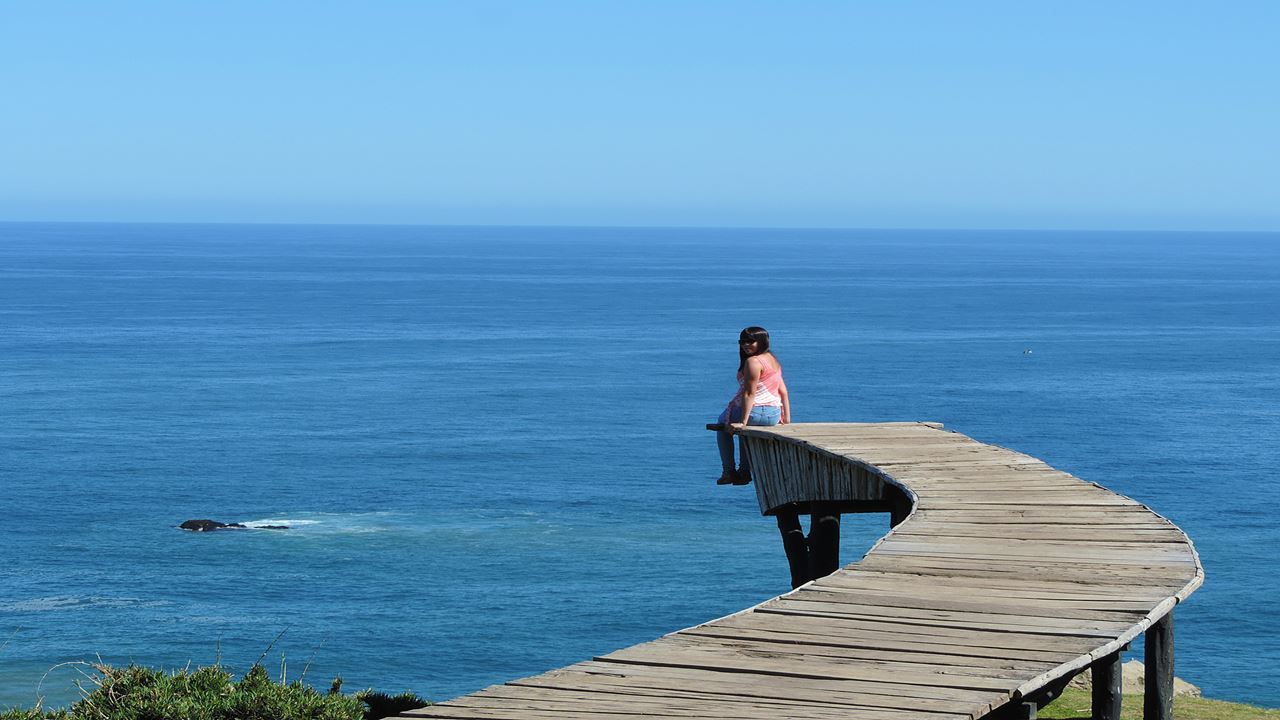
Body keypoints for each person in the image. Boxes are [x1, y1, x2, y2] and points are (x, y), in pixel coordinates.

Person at [716, 326, 790, 485]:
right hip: (773, 415)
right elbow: (783, 391)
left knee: (721, 424)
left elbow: (749, 394)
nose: (745, 345)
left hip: (755, 412)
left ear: (762, 341)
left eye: (750, 341)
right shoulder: (773, 360)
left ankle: (728, 471)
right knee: (745, 431)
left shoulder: (753, 362)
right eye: (742, 341)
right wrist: (786, 418)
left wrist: (743, 421)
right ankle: (744, 472)